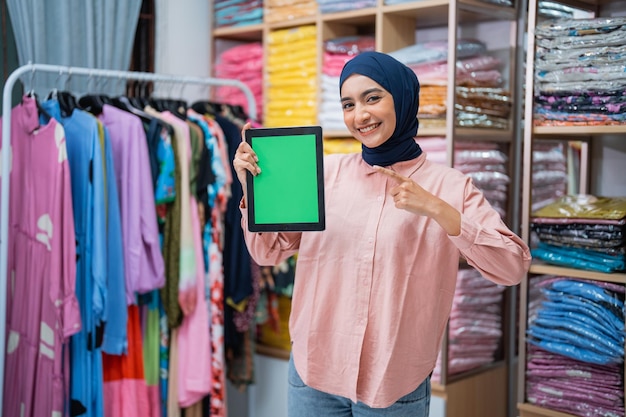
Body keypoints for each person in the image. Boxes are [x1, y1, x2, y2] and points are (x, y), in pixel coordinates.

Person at [233, 51, 531, 416]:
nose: (360, 115)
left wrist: (437, 209)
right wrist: (254, 191)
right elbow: (269, 253)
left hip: (393, 384)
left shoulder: (449, 186)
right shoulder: (324, 175)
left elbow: (512, 267)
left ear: (402, 98)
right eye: (348, 104)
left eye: (372, 98)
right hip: (314, 373)